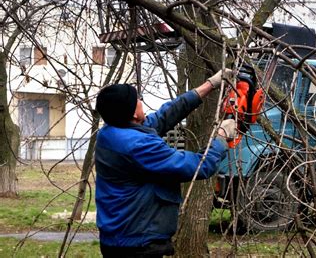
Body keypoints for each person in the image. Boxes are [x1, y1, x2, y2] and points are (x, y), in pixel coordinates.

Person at [94, 70, 236, 258]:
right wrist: (220, 139)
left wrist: (210, 85)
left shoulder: (111, 132)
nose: (141, 101)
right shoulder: (137, 145)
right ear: (132, 112)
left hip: (121, 238)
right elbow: (199, 166)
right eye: (138, 99)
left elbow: (164, 116)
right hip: (137, 244)